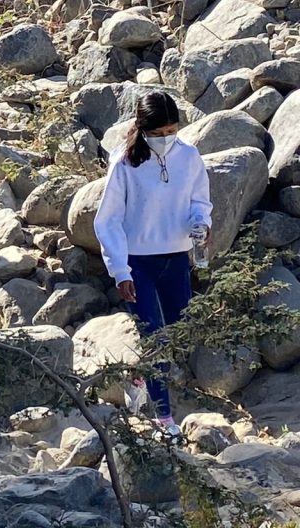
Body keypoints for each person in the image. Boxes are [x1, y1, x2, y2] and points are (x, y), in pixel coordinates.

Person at [93, 91, 212, 439]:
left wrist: (201, 224)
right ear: (143, 129)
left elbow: (200, 201)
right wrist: (120, 270)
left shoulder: (189, 157)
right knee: (156, 338)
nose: (165, 138)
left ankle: (138, 377)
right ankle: (164, 419)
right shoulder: (125, 163)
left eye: (171, 131)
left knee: (177, 332)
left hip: (176, 259)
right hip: (137, 264)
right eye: (158, 133)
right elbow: (108, 220)